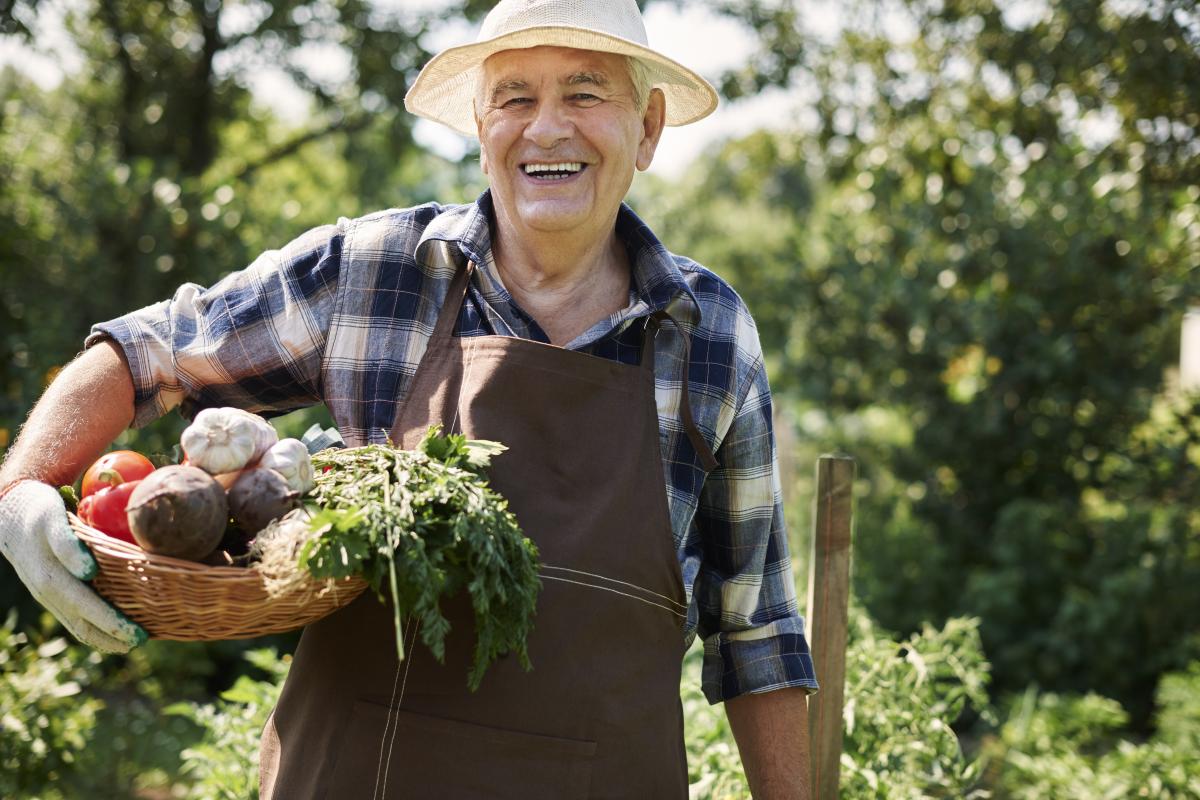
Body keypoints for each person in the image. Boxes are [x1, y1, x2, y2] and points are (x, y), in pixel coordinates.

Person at [0, 0, 818, 796]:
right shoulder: (374, 270)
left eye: (585, 92)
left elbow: (757, 633)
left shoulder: (711, 334)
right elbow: (147, 353)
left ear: (645, 129)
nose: (547, 127)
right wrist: (22, 490)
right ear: (480, 123)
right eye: (515, 97)